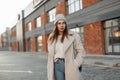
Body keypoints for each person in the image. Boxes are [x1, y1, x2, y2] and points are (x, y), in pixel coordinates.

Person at [47, 14, 85, 80]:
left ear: (66, 24)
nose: (62, 25)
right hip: (57, 65)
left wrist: (76, 63)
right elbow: (50, 54)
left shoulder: (73, 35)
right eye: (59, 23)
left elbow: (81, 51)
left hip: (70, 65)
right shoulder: (52, 37)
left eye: (63, 23)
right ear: (56, 25)